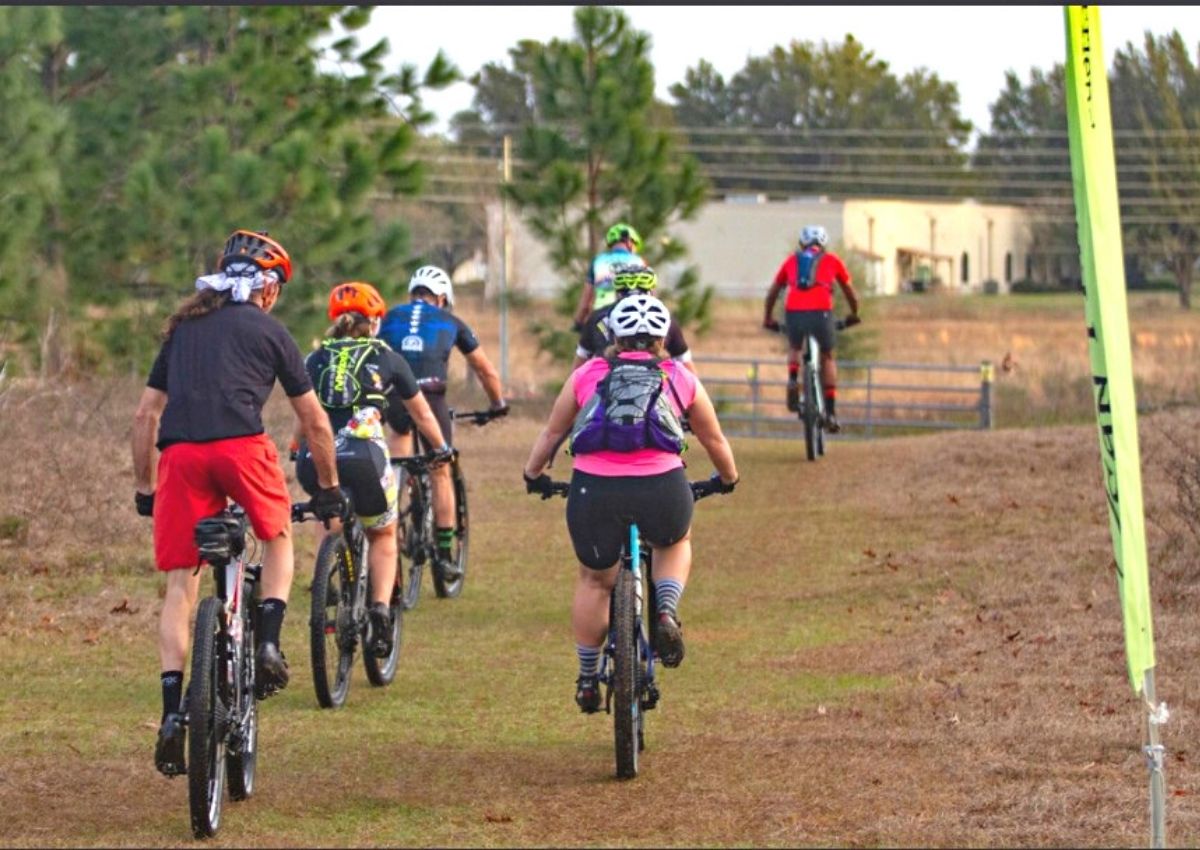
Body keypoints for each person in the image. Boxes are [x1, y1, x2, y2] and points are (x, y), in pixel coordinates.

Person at [131, 229, 345, 777]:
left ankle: (172, 713)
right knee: (277, 536)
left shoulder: (183, 328)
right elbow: (314, 420)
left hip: (181, 456)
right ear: (268, 288)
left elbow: (146, 415)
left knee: (181, 585)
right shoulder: (270, 330)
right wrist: (327, 488)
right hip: (241, 449)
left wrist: (145, 488)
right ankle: (268, 644)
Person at [521, 294, 739, 713]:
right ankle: (666, 612)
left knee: (593, 580)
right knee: (675, 541)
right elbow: (713, 438)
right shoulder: (679, 376)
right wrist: (728, 478)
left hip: (594, 492)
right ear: (662, 339)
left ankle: (588, 678)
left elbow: (552, 433)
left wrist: (533, 475)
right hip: (662, 488)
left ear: (614, 337)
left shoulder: (587, 374)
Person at [293, 282, 452, 658]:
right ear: (375, 322)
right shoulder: (386, 357)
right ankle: (380, 612)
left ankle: (328, 581)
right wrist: (441, 449)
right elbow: (421, 414)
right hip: (365, 456)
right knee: (382, 534)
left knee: (328, 511)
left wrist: (295, 447)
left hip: (315, 459)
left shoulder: (314, 359)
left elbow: (305, 417)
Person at [377, 265, 507, 582]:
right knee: (440, 469)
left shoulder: (389, 317)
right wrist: (497, 404)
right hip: (431, 398)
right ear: (443, 298)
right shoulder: (451, 321)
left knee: (395, 464)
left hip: (393, 396)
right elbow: (484, 369)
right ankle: (446, 554)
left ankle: (388, 529)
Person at [762, 224, 861, 432]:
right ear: (824, 244)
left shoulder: (791, 261)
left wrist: (768, 318)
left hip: (793, 311)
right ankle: (831, 412)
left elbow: (773, 293)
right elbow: (850, 291)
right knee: (827, 356)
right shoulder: (832, 260)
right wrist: (854, 313)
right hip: (821, 312)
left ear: (802, 243)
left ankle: (792, 379)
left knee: (795, 347)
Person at [572, 263, 696, 374]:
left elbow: (578, 365)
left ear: (618, 292)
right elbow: (687, 367)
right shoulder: (664, 319)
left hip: (604, 386)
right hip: (656, 387)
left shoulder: (597, 318)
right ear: (651, 292)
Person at [572, 222, 647, 330]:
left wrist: (578, 321)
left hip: (601, 318)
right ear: (630, 243)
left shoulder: (598, 261)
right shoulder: (639, 262)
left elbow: (586, 302)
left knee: (596, 337)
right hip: (630, 318)